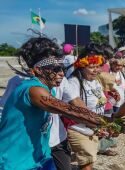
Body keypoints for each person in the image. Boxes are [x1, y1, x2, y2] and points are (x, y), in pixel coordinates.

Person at [0, 36, 100, 170]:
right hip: (15, 161)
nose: (62, 74)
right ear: (38, 70)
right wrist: (105, 122)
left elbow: (74, 104)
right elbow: (68, 110)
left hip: (41, 157)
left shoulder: (51, 89)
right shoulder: (32, 89)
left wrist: (98, 124)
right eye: (55, 69)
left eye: (62, 69)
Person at [62, 43, 116, 169]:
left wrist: (112, 100)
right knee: (87, 164)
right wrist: (101, 126)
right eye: (92, 67)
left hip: (92, 128)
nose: (96, 70)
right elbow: (79, 109)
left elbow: (100, 102)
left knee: (90, 162)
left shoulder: (95, 81)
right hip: (78, 129)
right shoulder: (74, 82)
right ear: (82, 66)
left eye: (98, 67)